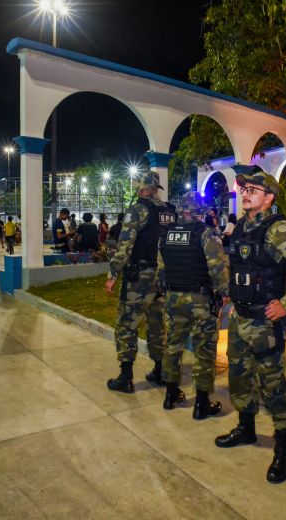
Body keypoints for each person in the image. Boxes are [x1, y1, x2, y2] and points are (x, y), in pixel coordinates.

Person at [214, 170, 286, 484]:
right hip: (240, 318)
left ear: (269, 197)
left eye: (254, 189)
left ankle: (283, 448)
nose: (245, 193)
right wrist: (230, 298)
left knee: (273, 387)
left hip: (264, 322)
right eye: (244, 188)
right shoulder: (243, 227)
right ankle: (246, 429)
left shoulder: (279, 230)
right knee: (239, 377)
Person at [158, 191, 230, 419]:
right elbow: (217, 269)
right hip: (200, 300)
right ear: (200, 211)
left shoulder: (166, 235)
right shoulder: (206, 235)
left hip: (172, 298)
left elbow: (161, 269)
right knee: (204, 349)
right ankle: (201, 403)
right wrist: (225, 293)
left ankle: (170, 394)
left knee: (172, 345)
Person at [104, 171, 176, 393]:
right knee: (157, 324)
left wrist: (112, 274)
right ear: (156, 188)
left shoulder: (138, 210)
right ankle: (160, 371)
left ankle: (125, 377)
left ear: (140, 188)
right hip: (164, 277)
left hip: (140, 277)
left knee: (127, 324)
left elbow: (125, 246)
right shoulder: (169, 211)